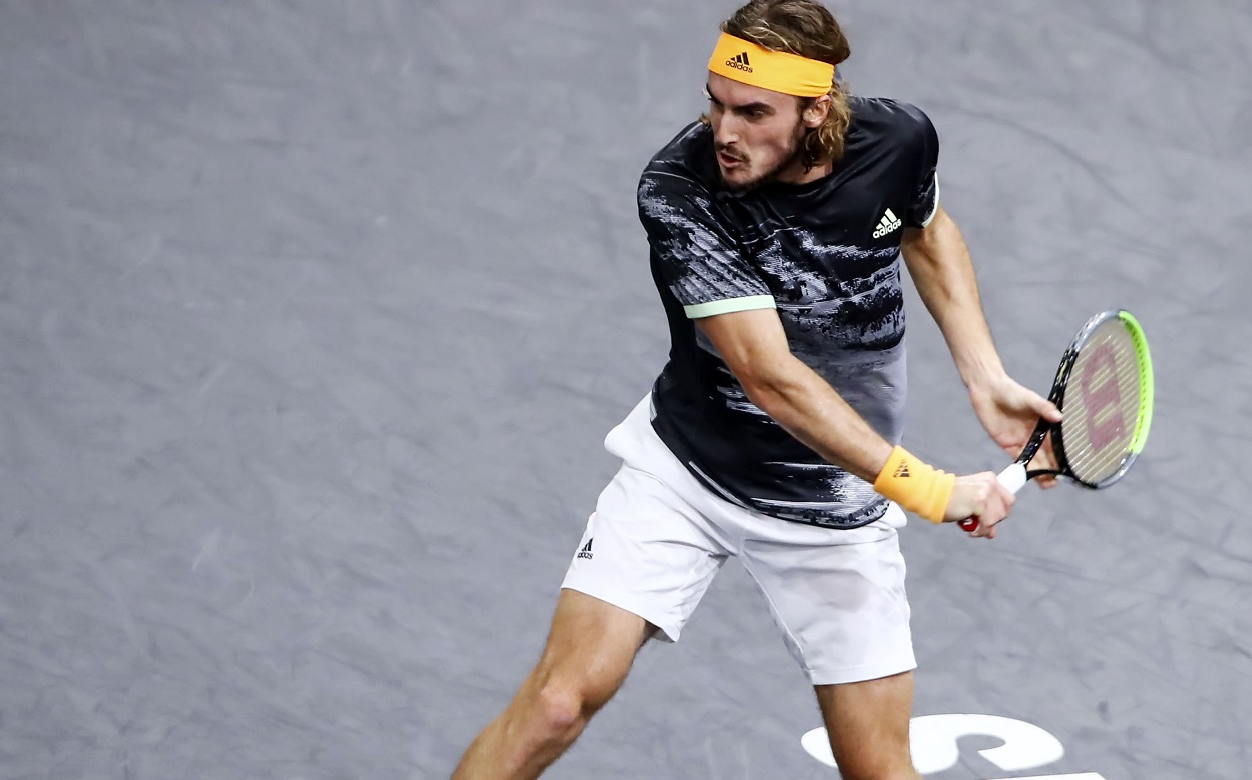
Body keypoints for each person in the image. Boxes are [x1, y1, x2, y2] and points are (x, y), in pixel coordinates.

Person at [451, 2, 1060, 778]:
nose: (724, 131)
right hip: (686, 473)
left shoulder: (900, 140)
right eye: (716, 103)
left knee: (880, 769)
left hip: (834, 502)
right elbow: (772, 380)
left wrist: (985, 375)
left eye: (752, 112)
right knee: (556, 704)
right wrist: (932, 490)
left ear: (816, 110)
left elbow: (925, 230)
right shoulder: (682, 192)